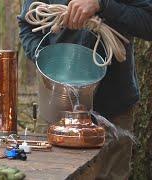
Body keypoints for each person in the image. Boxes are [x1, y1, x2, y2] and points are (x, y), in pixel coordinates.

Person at [18, 0, 152, 179]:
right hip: (55, 108)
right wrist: (46, 57)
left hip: (114, 110)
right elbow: (27, 24)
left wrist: (101, 5)